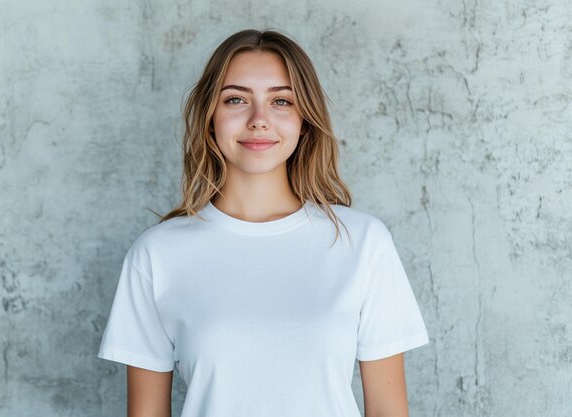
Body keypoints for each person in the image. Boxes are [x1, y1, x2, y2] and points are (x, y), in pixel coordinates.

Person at [97, 28, 429, 417]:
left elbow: (389, 411)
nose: (259, 120)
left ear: (304, 120)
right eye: (236, 99)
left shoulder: (363, 242)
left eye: (281, 101)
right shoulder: (156, 254)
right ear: (210, 118)